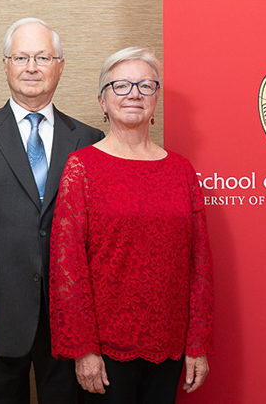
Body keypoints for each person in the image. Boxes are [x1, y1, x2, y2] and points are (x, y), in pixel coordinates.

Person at [0, 18, 104, 404]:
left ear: (60, 65)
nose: (31, 67)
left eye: (42, 57)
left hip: (68, 320)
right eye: (21, 57)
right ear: (5, 65)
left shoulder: (89, 140)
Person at [49, 47, 213, 404]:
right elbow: (68, 267)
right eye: (120, 86)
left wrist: (197, 343)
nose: (134, 94)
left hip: (168, 345)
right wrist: (83, 349)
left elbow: (199, 263)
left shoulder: (181, 171)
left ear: (156, 99)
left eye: (145, 85)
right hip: (105, 351)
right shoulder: (82, 167)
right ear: (102, 101)